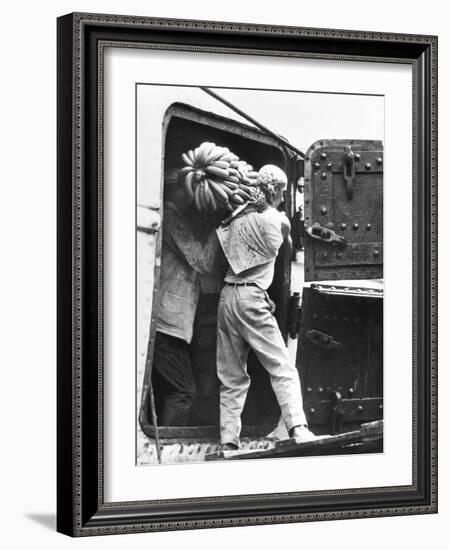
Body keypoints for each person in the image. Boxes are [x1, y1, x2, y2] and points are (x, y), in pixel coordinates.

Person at [215, 164, 315, 450]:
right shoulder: (276, 220)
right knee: (281, 365)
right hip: (251, 301)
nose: (284, 197)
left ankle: (228, 441)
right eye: (283, 191)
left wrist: (250, 208)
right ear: (273, 190)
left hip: (227, 296)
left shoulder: (235, 219)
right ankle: (298, 427)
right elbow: (288, 237)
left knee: (232, 376)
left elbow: (243, 260)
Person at [151, 169, 220, 426]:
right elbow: (202, 261)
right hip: (166, 327)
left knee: (175, 389)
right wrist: (219, 228)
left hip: (174, 326)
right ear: (178, 191)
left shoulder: (176, 221)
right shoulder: (171, 219)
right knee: (183, 391)